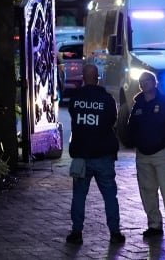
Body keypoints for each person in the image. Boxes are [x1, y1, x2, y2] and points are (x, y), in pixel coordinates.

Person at [65, 63, 125, 245]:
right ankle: (115, 233)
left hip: (82, 155)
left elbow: (73, 115)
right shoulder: (106, 99)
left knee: (79, 196)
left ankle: (76, 233)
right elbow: (112, 120)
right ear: (97, 77)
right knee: (109, 196)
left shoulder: (76, 98)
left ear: (83, 77)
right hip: (103, 154)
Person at [126, 71, 165, 239]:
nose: (144, 84)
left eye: (147, 81)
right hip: (143, 154)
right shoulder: (138, 104)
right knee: (147, 191)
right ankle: (154, 225)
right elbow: (131, 126)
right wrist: (133, 142)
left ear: (155, 83)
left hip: (163, 152)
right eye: (141, 82)